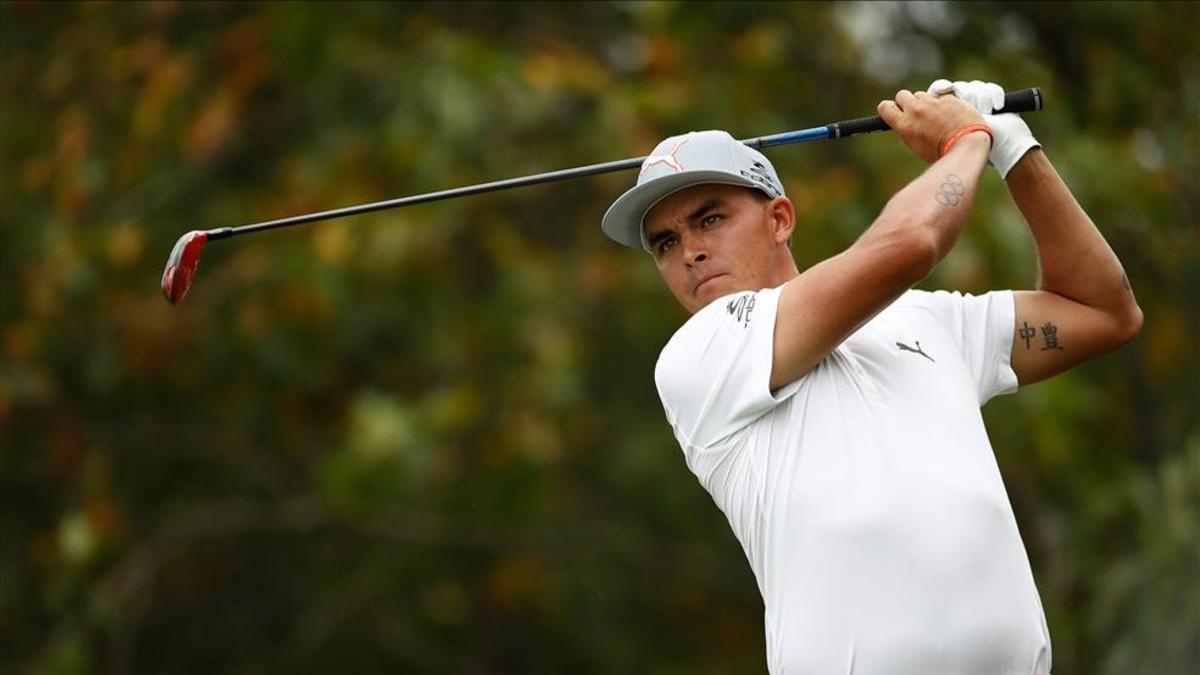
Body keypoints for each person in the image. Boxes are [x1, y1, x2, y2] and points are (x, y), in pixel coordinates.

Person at [600, 79, 1142, 675]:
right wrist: (968, 139)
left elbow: (1104, 313)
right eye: (665, 242)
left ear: (780, 219)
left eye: (710, 219)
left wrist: (1016, 151)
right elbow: (913, 241)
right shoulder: (701, 355)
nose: (689, 253)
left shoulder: (928, 318)